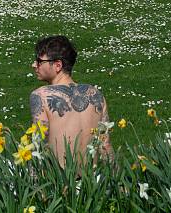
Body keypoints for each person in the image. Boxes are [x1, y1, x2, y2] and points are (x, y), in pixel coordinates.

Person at [29, 36, 111, 166]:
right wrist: (117, 183)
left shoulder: (41, 95)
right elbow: (105, 146)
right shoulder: (96, 95)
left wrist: (31, 184)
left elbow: (39, 146)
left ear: (57, 65)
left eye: (39, 61)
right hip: (91, 182)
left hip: (60, 182)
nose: (34, 65)